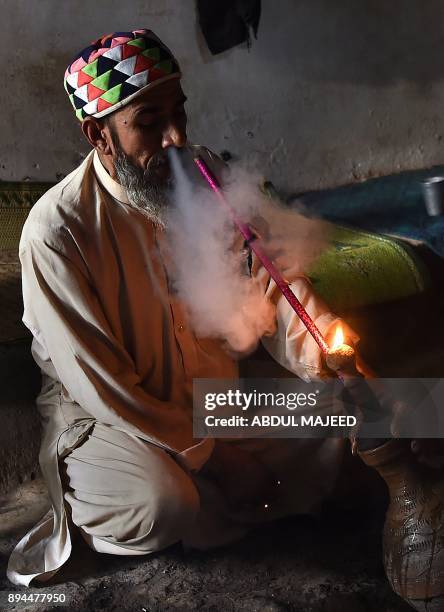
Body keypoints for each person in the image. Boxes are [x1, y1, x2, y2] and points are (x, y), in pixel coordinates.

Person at [6, 28, 438, 591]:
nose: (176, 137)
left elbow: (274, 284)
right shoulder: (56, 231)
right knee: (162, 501)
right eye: (150, 121)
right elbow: (102, 386)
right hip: (114, 423)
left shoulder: (200, 176)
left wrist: (328, 352)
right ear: (99, 136)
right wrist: (208, 454)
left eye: (179, 112)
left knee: (371, 413)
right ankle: (164, 503)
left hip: (216, 405)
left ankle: (236, 490)